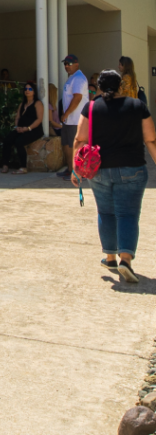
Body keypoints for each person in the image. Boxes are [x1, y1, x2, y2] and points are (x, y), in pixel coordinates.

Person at [72, 69, 156, 283]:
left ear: (99, 87)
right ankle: (125, 260)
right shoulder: (137, 106)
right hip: (132, 169)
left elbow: (79, 140)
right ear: (120, 87)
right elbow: (151, 139)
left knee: (106, 213)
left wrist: (75, 169)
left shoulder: (90, 108)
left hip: (98, 170)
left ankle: (110, 257)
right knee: (127, 214)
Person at [57, 54, 89, 178]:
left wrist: (66, 113)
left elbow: (77, 97)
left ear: (77, 64)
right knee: (66, 145)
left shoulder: (79, 78)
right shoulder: (72, 77)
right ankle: (70, 169)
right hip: (69, 120)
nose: (66, 66)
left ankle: (76, 172)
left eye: (69, 64)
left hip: (76, 120)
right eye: (65, 64)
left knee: (74, 146)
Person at [0, 82, 44, 173]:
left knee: (19, 142)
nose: (27, 91)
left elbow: (39, 119)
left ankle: (23, 167)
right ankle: (5, 165)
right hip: (20, 128)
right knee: (7, 140)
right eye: (26, 89)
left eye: (30, 89)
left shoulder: (38, 103)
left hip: (33, 130)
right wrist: (17, 127)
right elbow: (17, 117)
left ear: (34, 91)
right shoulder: (22, 104)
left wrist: (27, 128)